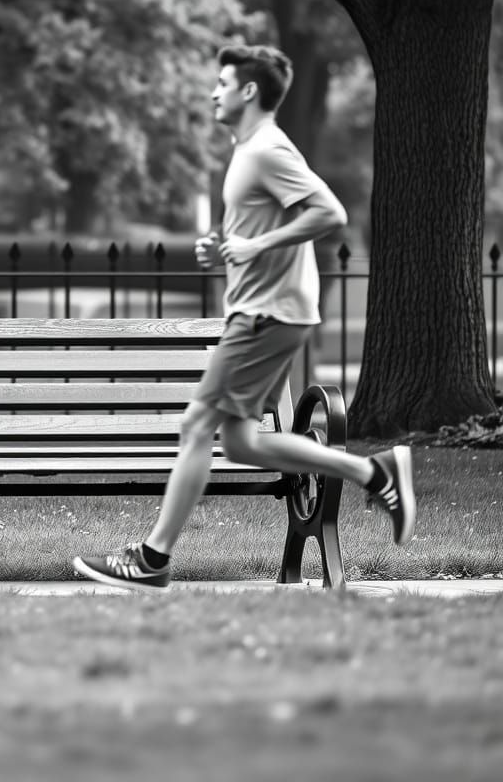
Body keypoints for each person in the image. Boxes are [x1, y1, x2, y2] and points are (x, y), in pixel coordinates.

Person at [74, 45, 415, 591]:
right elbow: (255, 234)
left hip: (265, 317)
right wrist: (227, 248)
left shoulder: (266, 149)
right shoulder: (249, 151)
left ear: (249, 91)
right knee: (240, 443)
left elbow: (330, 212)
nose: (214, 91)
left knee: (196, 425)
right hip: (266, 312)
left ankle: (151, 560)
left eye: (223, 82)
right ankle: (372, 472)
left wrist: (255, 246)